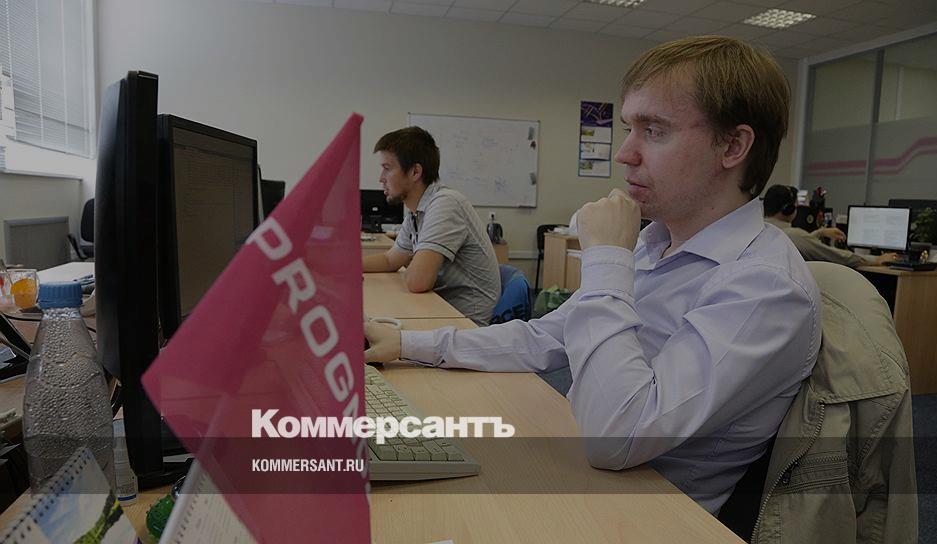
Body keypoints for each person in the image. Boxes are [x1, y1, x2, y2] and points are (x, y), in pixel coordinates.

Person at [365, 36, 821, 515]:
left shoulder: (764, 286)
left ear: (733, 145)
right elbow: (545, 337)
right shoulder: (656, 244)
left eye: (654, 131)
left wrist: (606, 259)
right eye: (628, 128)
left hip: (649, 514)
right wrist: (408, 344)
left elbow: (616, 438)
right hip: (591, 476)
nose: (624, 154)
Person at [363, 127, 500, 326]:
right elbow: (390, 260)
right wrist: (345, 267)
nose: (381, 178)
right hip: (441, 307)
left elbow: (417, 281)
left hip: (464, 321)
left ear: (415, 172)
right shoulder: (416, 212)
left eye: (387, 168)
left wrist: (413, 264)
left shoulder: (446, 204)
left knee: (373, 331)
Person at [762, 185, 898, 267]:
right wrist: (877, 259)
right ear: (789, 209)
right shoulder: (794, 235)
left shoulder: (762, 230)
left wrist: (820, 232)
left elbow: (800, 242)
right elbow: (836, 256)